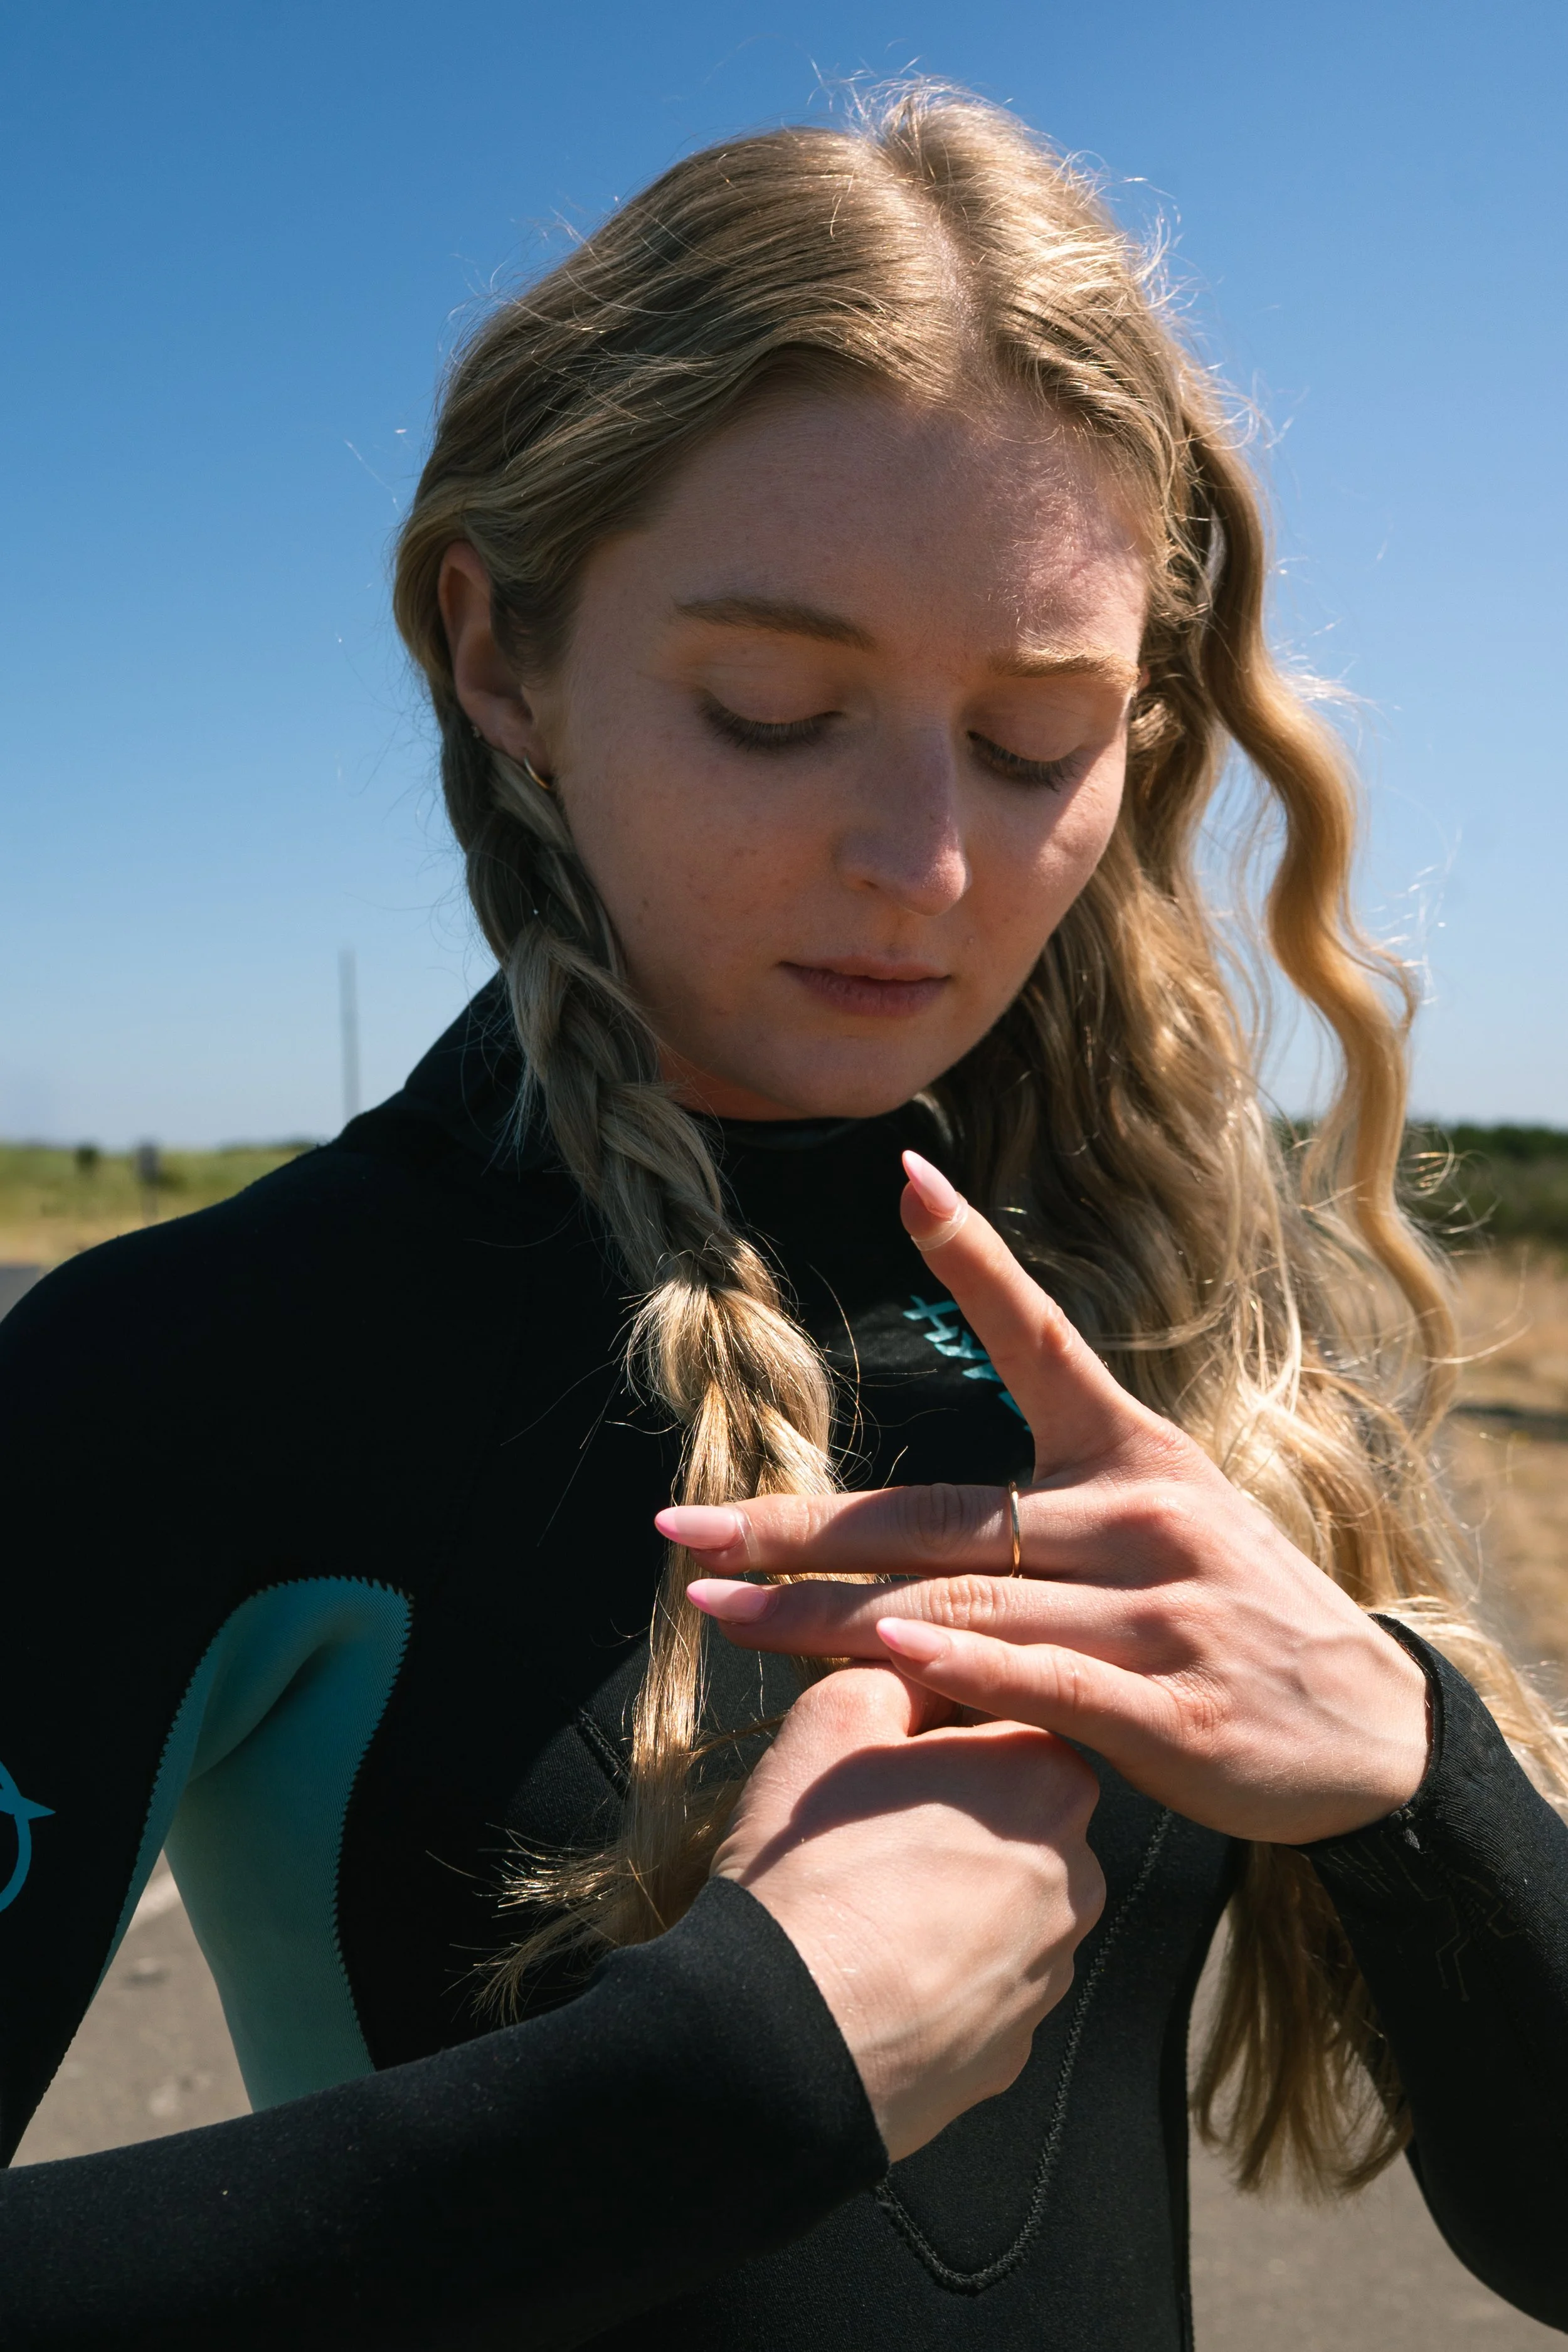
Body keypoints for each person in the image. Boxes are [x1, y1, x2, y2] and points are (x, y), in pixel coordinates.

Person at [3, 80, 1566, 2349]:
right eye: (769, 708)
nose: (927, 864)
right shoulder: (183, 1375)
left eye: (1037, 743)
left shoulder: (1177, 1330)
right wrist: (717, 2080)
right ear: (497, 651)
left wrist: (1416, 1773)